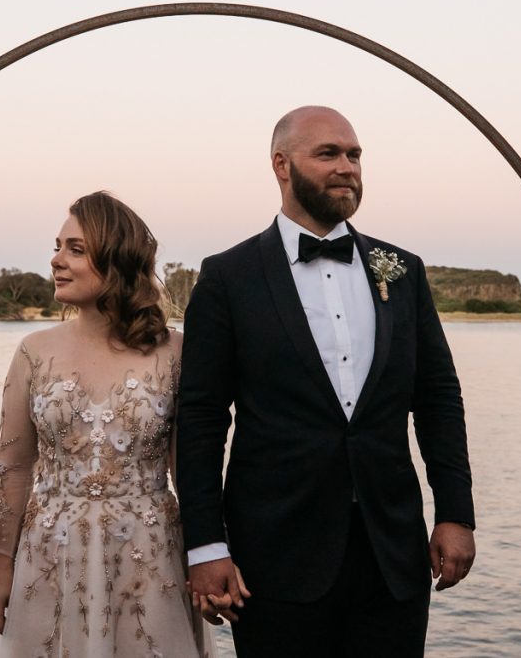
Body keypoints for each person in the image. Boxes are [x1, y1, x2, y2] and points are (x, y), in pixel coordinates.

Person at [175, 106, 476, 657]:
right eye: (328, 154)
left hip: (392, 554)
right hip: (272, 556)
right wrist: (205, 545)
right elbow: (200, 420)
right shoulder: (228, 277)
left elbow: (437, 398)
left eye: (355, 155)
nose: (347, 167)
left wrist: (455, 512)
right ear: (281, 166)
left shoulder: (401, 270)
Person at [0, 192, 208, 657]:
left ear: (117, 261)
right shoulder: (33, 351)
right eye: (57, 246)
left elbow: (189, 471)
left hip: (150, 557)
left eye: (75, 249)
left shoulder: (175, 351)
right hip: (50, 553)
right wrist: (1, 570)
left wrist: (209, 557)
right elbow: (13, 468)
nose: (56, 260)